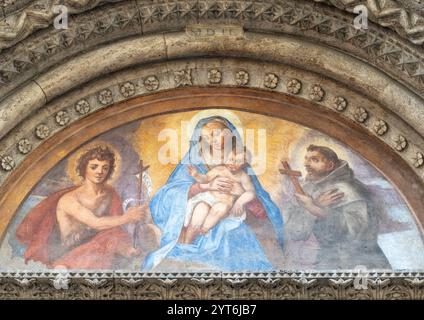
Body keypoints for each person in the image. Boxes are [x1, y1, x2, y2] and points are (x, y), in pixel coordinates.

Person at [142, 116, 284, 272]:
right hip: (200, 210)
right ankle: (187, 247)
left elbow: (260, 204)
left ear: (229, 134)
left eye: (217, 134)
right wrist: (204, 187)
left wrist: (239, 193)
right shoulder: (194, 160)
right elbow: (168, 194)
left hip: (229, 214)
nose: (213, 140)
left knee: (237, 234)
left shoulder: (240, 163)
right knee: (200, 212)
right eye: (207, 137)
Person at [16, 146, 149, 269]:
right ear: (84, 168)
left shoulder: (109, 193)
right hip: (65, 253)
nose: (100, 172)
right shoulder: (70, 199)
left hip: (93, 248)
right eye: (94, 167)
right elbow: (95, 223)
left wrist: (126, 247)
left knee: (110, 238)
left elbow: (114, 230)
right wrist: (127, 217)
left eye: (105, 167)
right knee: (103, 240)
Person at [285, 144, 391, 269]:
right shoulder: (306, 189)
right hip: (326, 260)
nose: (307, 164)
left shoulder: (348, 189)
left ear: (330, 165)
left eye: (314, 160)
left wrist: (316, 209)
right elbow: (293, 232)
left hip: (357, 262)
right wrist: (314, 207)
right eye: (306, 159)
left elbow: (359, 232)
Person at [183, 146, 255, 244]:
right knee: (200, 209)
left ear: (245, 163)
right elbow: (206, 178)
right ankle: (186, 243)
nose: (232, 163)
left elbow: (251, 192)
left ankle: (204, 229)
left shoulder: (243, 177)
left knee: (220, 207)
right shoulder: (220, 169)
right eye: (231, 159)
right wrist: (196, 175)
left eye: (237, 161)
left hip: (225, 204)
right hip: (208, 198)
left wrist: (239, 202)